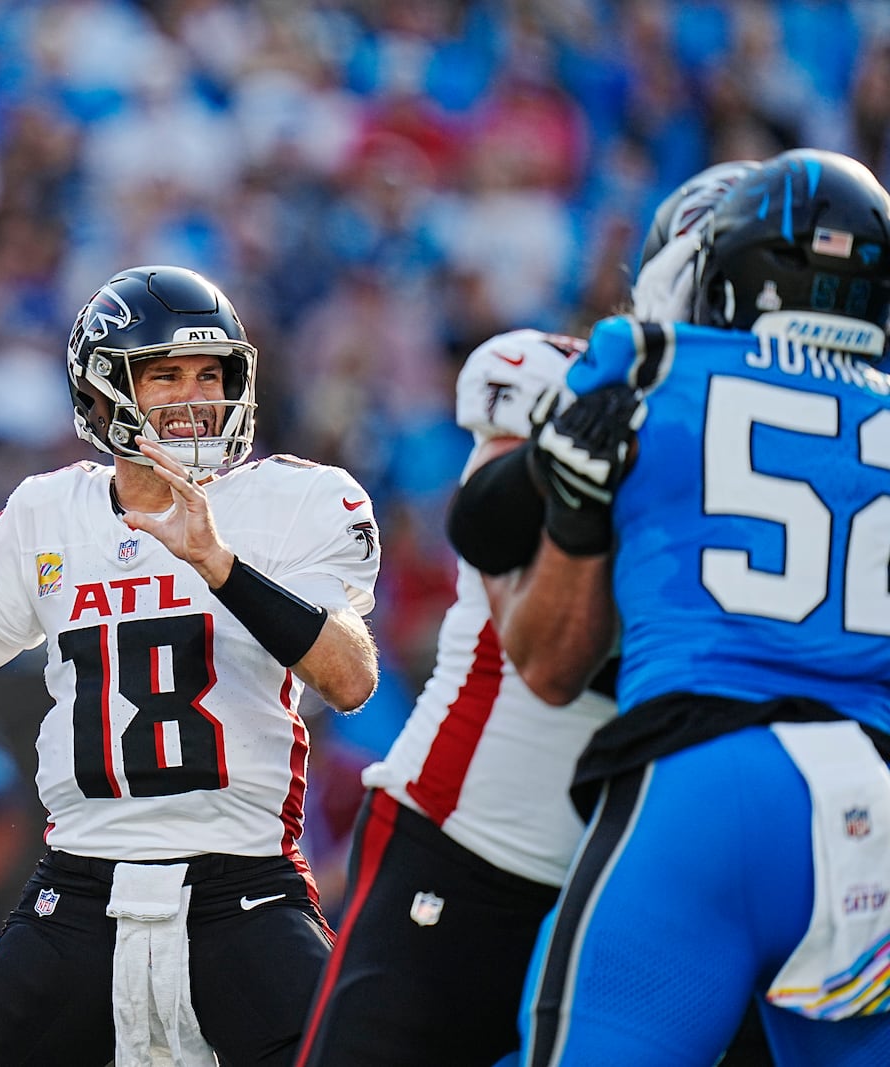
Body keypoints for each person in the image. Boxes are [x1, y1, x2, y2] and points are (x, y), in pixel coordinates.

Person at [0, 264, 382, 1066]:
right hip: (82, 887)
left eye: (210, 372)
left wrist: (221, 565)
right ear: (103, 393)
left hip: (242, 886)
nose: (195, 395)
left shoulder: (293, 500)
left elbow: (351, 675)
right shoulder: (51, 513)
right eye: (165, 374)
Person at [296, 161, 775, 1067]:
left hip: (659, 877)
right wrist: (589, 496)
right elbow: (548, 662)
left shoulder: (835, 436)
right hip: (478, 841)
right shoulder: (560, 379)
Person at [496, 149, 890, 1065]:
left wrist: (576, 494)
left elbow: (511, 583)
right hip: (873, 807)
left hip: (705, 784)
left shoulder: (645, 361)